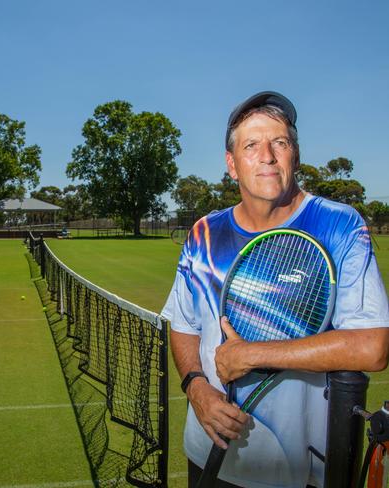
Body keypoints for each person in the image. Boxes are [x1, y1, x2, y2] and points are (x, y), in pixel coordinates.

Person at [162, 91, 389, 488]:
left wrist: (251, 355)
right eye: (251, 145)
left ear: (294, 156)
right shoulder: (203, 232)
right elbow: (183, 326)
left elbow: (373, 345)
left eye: (279, 143)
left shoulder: (339, 224)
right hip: (207, 450)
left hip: (299, 470)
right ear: (232, 165)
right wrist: (196, 388)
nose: (266, 155)